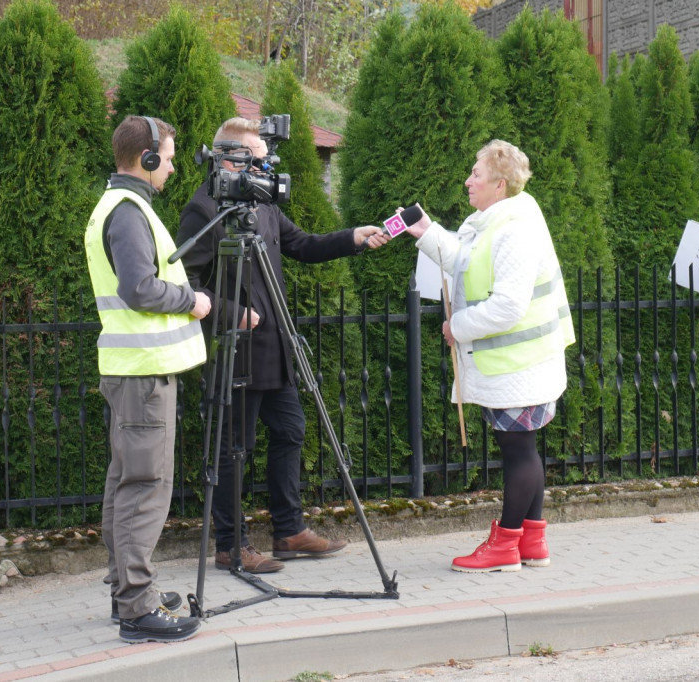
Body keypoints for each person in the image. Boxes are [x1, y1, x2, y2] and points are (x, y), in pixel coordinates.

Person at [178, 116, 390, 574]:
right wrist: (231, 312)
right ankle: (230, 546)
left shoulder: (263, 202)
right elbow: (186, 283)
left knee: (291, 431)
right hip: (237, 349)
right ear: (229, 160)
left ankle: (289, 532)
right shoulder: (203, 208)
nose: (267, 169)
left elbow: (303, 245)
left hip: (276, 348)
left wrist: (353, 237)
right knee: (233, 450)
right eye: (257, 160)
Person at [404, 140, 574, 573]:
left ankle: (504, 546)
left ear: (499, 185)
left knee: (519, 453)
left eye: (476, 174)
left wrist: (456, 327)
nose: (467, 180)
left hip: (518, 366)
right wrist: (427, 233)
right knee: (524, 450)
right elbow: (468, 261)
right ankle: (531, 542)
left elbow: (508, 307)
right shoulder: (497, 220)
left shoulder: (513, 230)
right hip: (518, 364)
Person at [84, 115, 211, 642]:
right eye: (170, 158)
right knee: (144, 488)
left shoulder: (119, 206)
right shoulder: (128, 212)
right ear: (148, 158)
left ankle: (127, 593)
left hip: (132, 371)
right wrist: (192, 300)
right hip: (143, 374)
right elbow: (139, 288)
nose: (174, 167)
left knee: (126, 485)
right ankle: (137, 609)